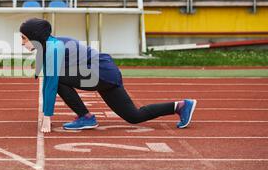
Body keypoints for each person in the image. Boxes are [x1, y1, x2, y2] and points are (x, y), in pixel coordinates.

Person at [19, 18, 197, 133]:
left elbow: (51, 82)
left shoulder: (53, 48)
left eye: (24, 38)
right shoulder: (49, 46)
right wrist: (45, 113)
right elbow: (47, 80)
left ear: (35, 37)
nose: (21, 43)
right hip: (106, 73)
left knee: (57, 78)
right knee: (134, 116)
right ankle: (180, 106)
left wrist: (47, 116)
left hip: (101, 72)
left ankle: (85, 117)